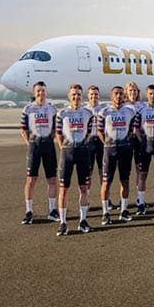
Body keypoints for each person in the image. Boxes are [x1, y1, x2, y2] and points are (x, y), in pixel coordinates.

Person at [54, 84, 94, 235]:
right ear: (68, 96)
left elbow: (89, 132)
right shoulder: (62, 113)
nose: (76, 97)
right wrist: (64, 148)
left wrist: (81, 145)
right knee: (63, 189)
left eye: (78, 94)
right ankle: (63, 223)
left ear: (81, 96)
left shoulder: (88, 113)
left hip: (83, 153)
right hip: (67, 153)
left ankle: (83, 221)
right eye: (73, 94)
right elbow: (58, 134)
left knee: (84, 188)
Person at [98, 86, 140, 225]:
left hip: (125, 150)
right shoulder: (104, 112)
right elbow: (99, 131)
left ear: (124, 96)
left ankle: (124, 210)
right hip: (109, 150)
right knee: (106, 182)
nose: (118, 96)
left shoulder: (130, 111)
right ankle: (105, 213)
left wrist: (124, 142)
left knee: (125, 181)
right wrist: (108, 143)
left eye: (121, 94)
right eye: (116, 93)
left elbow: (131, 130)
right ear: (111, 96)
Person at [20, 81, 59, 224]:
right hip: (34, 146)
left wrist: (48, 140)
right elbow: (23, 130)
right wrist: (31, 143)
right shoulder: (28, 109)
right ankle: (28, 212)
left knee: (52, 179)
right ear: (34, 92)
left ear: (46, 92)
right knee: (31, 180)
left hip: (48, 146)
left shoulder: (52, 109)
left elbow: (56, 129)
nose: (40, 93)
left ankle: (52, 210)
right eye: (38, 91)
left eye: (43, 91)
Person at [135, 84, 154, 215]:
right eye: (150, 94)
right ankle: (141, 202)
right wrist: (141, 140)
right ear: (146, 95)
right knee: (142, 175)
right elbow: (136, 128)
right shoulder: (141, 110)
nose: (153, 96)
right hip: (145, 144)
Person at [84, 85, 106, 188]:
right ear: (88, 95)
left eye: (96, 94)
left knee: (103, 171)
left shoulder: (104, 109)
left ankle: (104, 195)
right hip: (89, 141)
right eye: (91, 94)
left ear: (99, 95)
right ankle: (86, 195)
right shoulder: (84, 109)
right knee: (88, 171)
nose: (94, 96)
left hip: (102, 141)